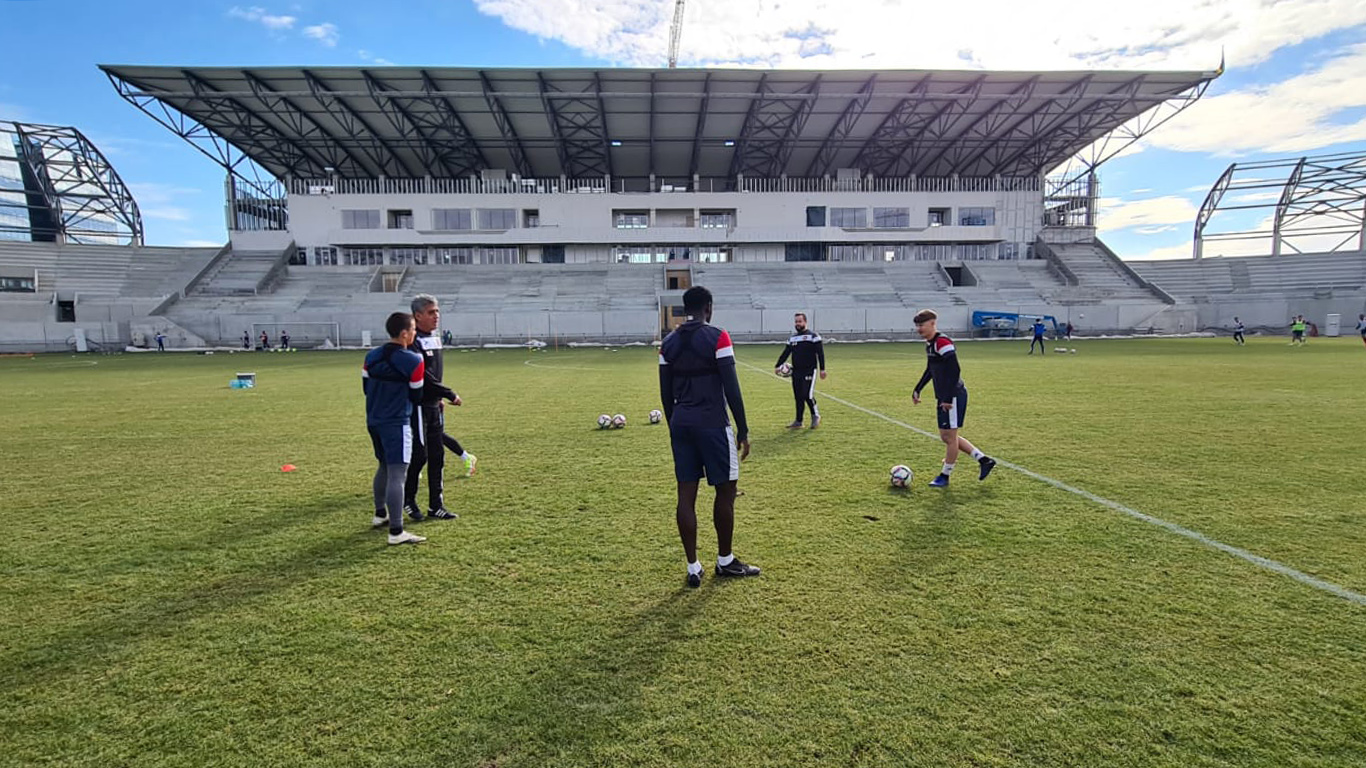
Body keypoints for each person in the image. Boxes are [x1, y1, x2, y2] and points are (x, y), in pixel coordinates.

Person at [659, 285, 759, 588]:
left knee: (685, 496)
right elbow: (732, 387)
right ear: (709, 308)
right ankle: (725, 561)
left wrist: (674, 427)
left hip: (681, 425)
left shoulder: (667, 343)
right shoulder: (718, 337)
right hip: (713, 424)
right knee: (725, 491)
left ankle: (693, 567)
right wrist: (742, 429)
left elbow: (665, 396)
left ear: (683, 309)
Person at [403, 294, 473, 522]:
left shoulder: (434, 338)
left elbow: (434, 372)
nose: (437, 316)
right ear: (418, 315)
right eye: (431, 312)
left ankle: (436, 505)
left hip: (434, 405)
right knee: (420, 456)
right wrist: (448, 392)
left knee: (437, 455)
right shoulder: (412, 342)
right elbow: (422, 375)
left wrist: (439, 397)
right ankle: (408, 500)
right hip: (419, 406)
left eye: (438, 311)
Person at [911, 309, 997, 488]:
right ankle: (983, 460)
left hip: (953, 395)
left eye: (922, 325)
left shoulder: (942, 342)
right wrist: (918, 389)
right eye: (917, 325)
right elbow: (930, 369)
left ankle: (945, 475)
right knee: (948, 436)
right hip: (945, 396)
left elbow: (955, 369)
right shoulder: (930, 344)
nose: (919, 329)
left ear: (933, 323)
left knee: (949, 437)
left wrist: (948, 398)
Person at [362, 312, 427, 545]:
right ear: (404, 333)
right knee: (398, 473)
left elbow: (366, 388)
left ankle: (380, 514)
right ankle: (397, 531)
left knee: (383, 466)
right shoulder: (414, 360)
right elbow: (417, 394)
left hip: (374, 420)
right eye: (413, 330)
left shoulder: (371, 356)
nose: (415, 334)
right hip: (397, 422)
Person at [774, 312, 827, 429]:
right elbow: (786, 353)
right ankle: (799, 421)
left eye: (800, 321)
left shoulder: (814, 336)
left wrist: (822, 369)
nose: (797, 324)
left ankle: (815, 416)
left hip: (809, 370)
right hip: (796, 371)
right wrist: (778, 366)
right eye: (796, 321)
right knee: (798, 396)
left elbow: (820, 353)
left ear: (805, 322)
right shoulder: (792, 338)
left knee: (807, 395)